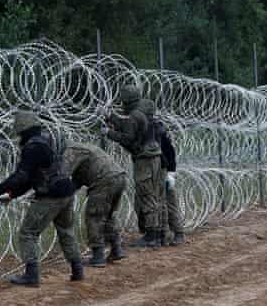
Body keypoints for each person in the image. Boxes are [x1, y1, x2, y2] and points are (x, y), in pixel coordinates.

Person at [0, 111, 83, 286]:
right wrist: (11, 194)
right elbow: (32, 178)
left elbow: (21, 176)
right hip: (66, 192)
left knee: (28, 233)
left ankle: (31, 276)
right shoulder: (46, 141)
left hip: (51, 195)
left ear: (21, 128)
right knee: (66, 230)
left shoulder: (33, 147)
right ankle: (77, 269)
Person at [105, 85, 165, 248]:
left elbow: (128, 138)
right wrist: (112, 118)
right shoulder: (145, 109)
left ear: (126, 100)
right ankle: (159, 233)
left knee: (146, 195)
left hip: (144, 159)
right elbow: (130, 126)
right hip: (155, 155)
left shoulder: (134, 115)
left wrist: (109, 133)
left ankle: (151, 236)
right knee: (156, 195)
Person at [63, 141, 128, 266]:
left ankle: (98, 256)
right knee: (108, 216)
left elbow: (64, 174)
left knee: (94, 217)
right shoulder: (83, 148)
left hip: (104, 181)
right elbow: (77, 180)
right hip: (119, 177)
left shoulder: (70, 151)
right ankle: (116, 249)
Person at [140, 99, 185, 246]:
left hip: (163, 169)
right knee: (158, 203)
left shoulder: (158, 128)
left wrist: (171, 173)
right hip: (153, 171)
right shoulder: (145, 127)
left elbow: (170, 151)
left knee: (169, 202)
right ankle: (162, 234)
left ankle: (178, 233)